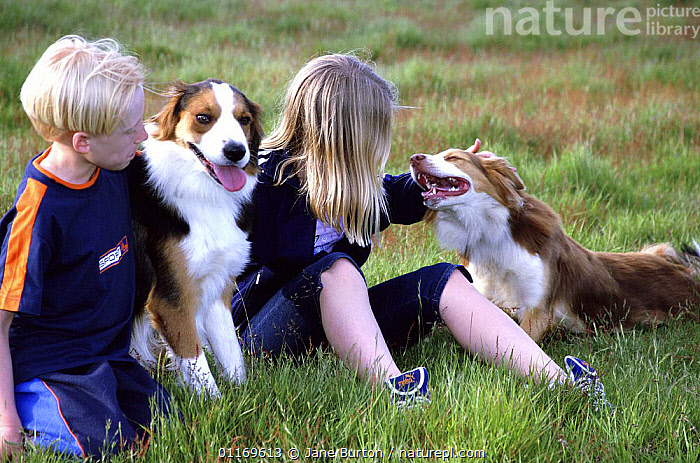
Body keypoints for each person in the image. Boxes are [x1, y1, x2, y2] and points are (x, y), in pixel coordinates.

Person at [232, 53, 609, 409]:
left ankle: (559, 381)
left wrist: (454, 170)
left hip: (338, 325)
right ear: (349, 135)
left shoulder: (354, 186)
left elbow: (404, 195)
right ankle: (395, 388)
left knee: (443, 280)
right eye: (378, 129)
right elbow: (212, 273)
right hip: (258, 333)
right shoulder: (259, 184)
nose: (383, 140)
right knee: (338, 269)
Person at [0, 35, 170, 460]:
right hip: (48, 362)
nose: (142, 133)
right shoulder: (39, 217)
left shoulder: (113, 163)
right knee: (101, 444)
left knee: (167, 422)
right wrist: (6, 425)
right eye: (130, 127)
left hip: (103, 351)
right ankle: (26, 402)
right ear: (82, 142)